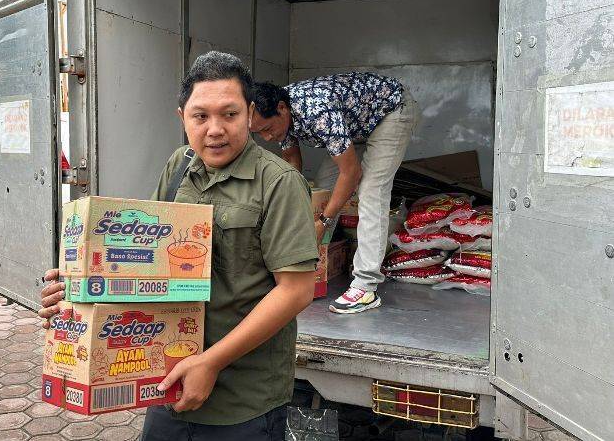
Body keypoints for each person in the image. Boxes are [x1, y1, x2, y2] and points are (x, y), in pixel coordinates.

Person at [39, 51, 319, 440]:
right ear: (182, 117)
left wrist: (210, 362)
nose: (215, 129)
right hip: (167, 382)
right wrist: (75, 292)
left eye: (230, 114)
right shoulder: (179, 166)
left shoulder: (279, 183)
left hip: (243, 401)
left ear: (251, 114)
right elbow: (147, 265)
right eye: (200, 116)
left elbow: (296, 290)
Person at [249, 73, 421, 314]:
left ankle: (366, 286)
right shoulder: (277, 113)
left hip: (390, 111)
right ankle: (313, 266)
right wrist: (289, 206)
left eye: (267, 129)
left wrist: (323, 222)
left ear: (282, 109)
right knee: (323, 190)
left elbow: (351, 173)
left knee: (371, 191)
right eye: (259, 133)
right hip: (356, 122)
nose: (267, 137)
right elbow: (292, 164)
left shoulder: (317, 112)